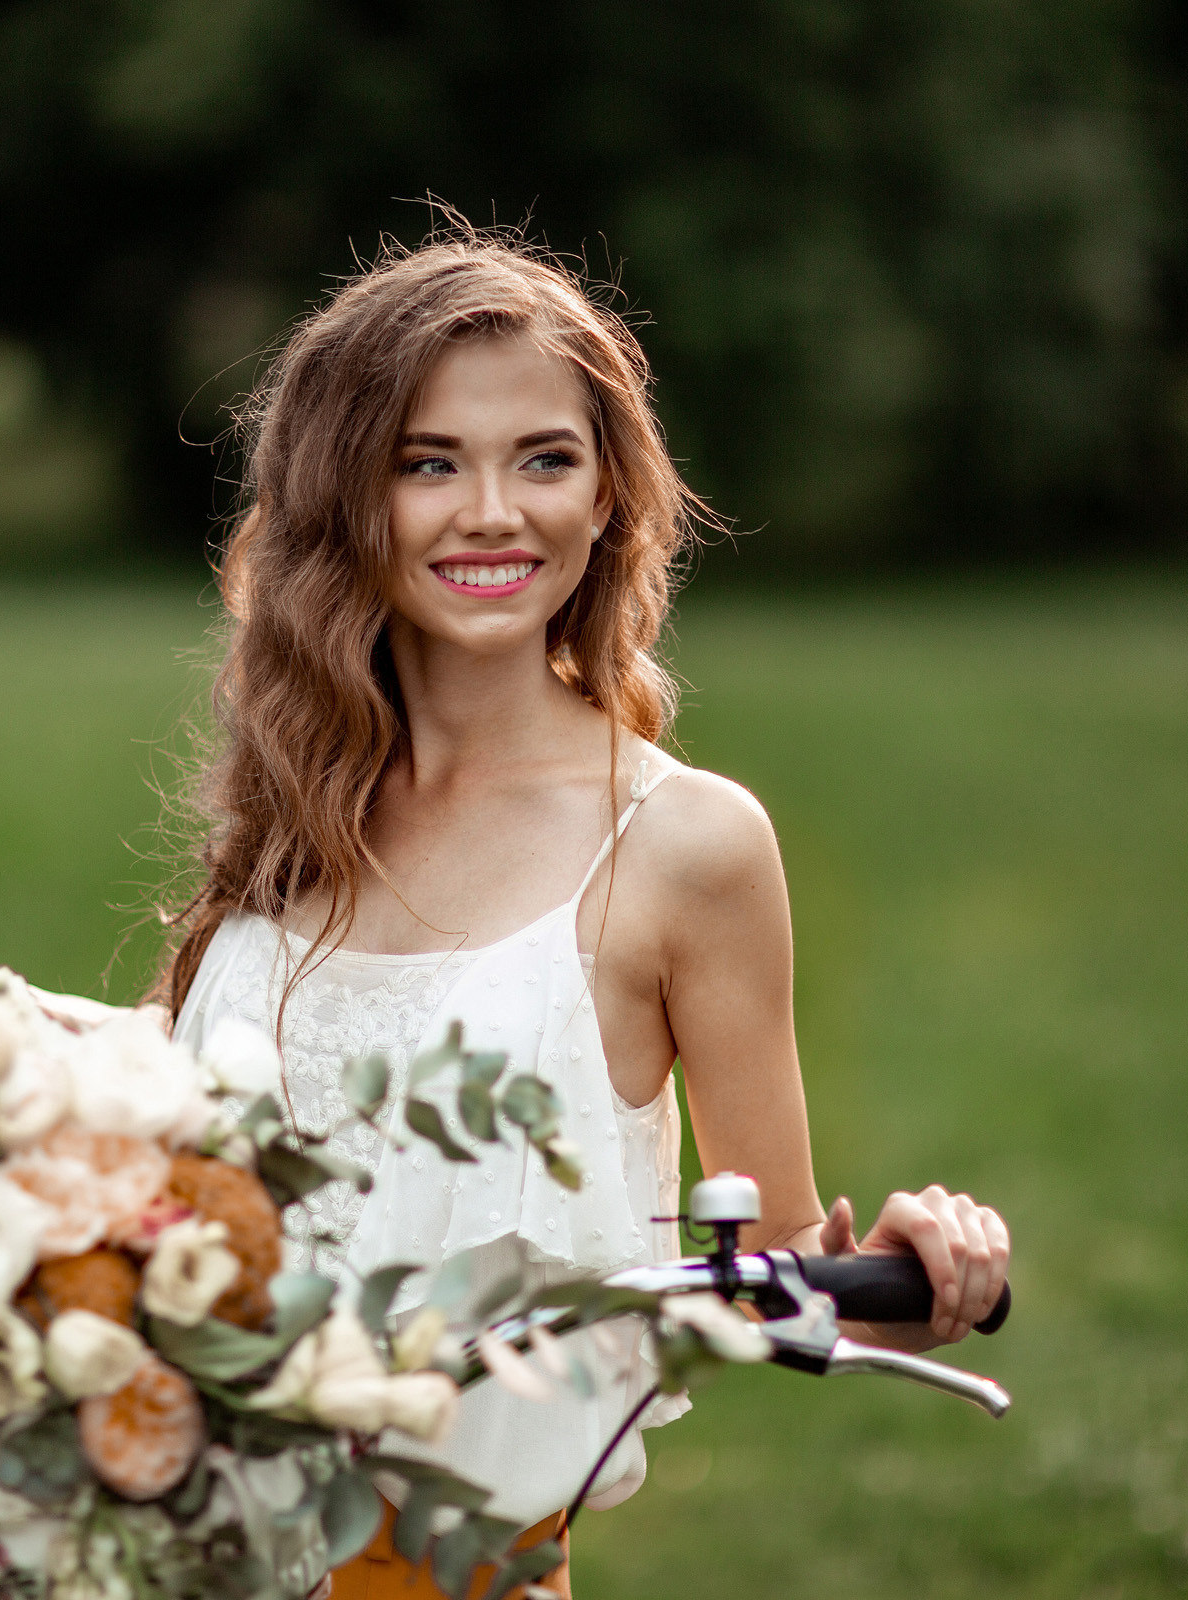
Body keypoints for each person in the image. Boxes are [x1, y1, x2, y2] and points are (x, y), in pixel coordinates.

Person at [162, 228, 1011, 1599]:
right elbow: (147, 1167)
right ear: (341, 496)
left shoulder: (685, 848)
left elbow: (777, 1276)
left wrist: (918, 1268)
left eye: (545, 459)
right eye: (428, 462)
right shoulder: (293, 805)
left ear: (610, 493)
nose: (493, 512)